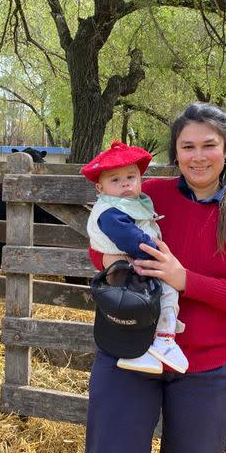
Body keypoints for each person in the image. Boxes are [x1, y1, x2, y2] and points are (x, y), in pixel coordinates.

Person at [84, 103, 226, 453]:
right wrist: (120, 256)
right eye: (187, 147)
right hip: (128, 351)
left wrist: (184, 278)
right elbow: (97, 247)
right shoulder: (148, 196)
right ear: (176, 152)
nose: (198, 156)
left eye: (209, 145)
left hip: (206, 365)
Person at [81, 141, 189, 374]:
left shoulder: (128, 205)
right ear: (100, 188)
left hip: (134, 266)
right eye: (115, 180)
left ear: (141, 178)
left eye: (131, 177)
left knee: (142, 308)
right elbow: (130, 238)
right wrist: (155, 253)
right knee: (161, 295)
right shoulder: (110, 212)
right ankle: (164, 339)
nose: (125, 184)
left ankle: (142, 351)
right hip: (134, 266)